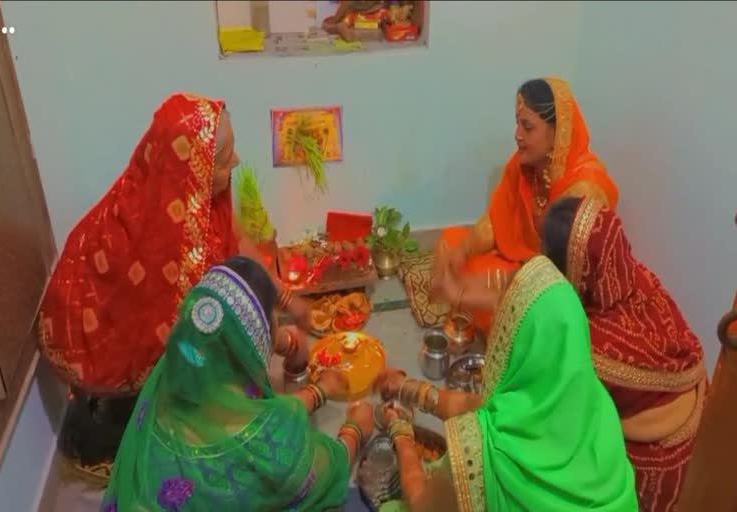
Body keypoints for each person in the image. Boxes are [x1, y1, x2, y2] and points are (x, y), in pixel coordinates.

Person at [37, 93, 310, 479]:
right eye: (224, 158)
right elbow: (214, 326)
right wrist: (285, 341)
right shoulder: (163, 251)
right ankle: (143, 431)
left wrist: (285, 296)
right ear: (192, 171)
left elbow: (240, 247)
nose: (236, 162)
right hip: (108, 349)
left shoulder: (197, 202)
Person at [101, 256, 376, 511]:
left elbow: (237, 406)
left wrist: (318, 389)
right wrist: (356, 429)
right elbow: (324, 470)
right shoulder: (273, 441)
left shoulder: (177, 366)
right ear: (258, 337)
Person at [375, 255, 639, 511]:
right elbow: (479, 405)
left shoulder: (479, 451)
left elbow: (422, 503)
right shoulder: (598, 406)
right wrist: (405, 388)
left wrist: (401, 434)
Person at [541, 196, 707, 512]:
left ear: (573, 267)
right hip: (698, 443)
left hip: (653, 467)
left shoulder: (590, 342)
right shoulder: (640, 278)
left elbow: (559, 411)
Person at [432, 77, 619, 334]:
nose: (517, 135)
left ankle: (486, 316)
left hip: (554, 290)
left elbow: (558, 283)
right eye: (517, 123)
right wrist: (462, 251)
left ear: (558, 131)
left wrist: (485, 289)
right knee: (451, 239)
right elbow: (497, 222)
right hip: (523, 265)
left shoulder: (584, 191)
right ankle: (482, 305)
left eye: (528, 127)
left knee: (514, 306)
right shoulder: (524, 165)